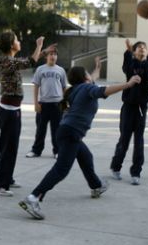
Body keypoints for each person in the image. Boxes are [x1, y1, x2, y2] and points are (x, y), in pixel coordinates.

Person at [18, 67, 141, 219]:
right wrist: (127, 84)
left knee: (85, 156)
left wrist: (96, 68)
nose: (91, 76)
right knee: (61, 170)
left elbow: (93, 79)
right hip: (71, 133)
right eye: (88, 73)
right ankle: (33, 197)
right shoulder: (88, 88)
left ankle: (96, 186)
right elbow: (105, 90)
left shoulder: (74, 90)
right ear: (84, 76)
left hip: (65, 131)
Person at [0, 31, 52, 197]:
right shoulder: (7, 61)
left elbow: (26, 61)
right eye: (16, 40)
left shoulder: (7, 60)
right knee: (8, 149)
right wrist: (39, 45)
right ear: (11, 45)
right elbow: (30, 62)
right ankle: (0, 186)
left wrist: (44, 52)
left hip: (11, 110)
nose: (19, 42)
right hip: (9, 111)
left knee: (11, 147)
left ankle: (7, 178)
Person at [110, 39, 148, 185]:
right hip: (128, 108)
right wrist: (128, 53)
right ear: (134, 51)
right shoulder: (130, 65)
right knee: (124, 139)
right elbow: (127, 69)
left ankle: (136, 172)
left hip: (141, 108)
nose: (142, 48)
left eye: (144, 47)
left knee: (139, 141)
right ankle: (116, 167)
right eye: (139, 47)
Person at [25, 47, 67, 159]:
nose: (53, 56)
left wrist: (65, 105)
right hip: (43, 104)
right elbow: (36, 86)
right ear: (46, 57)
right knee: (40, 130)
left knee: (57, 130)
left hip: (57, 105)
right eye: (50, 54)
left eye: (55, 54)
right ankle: (36, 150)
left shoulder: (61, 70)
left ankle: (57, 151)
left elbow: (64, 88)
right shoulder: (40, 69)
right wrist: (36, 103)